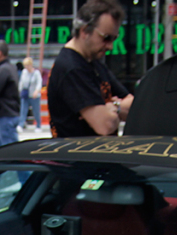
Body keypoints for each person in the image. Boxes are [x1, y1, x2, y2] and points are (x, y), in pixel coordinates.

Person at [46, 0, 132, 138]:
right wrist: (117, 108)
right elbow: (105, 125)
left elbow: (133, 105)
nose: (110, 46)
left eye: (114, 39)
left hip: (98, 155)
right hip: (76, 157)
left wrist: (113, 106)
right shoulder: (71, 67)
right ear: (85, 31)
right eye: (106, 38)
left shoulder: (93, 61)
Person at [19, 56, 42, 129]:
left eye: (27, 65)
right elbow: (21, 82)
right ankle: (21, 124)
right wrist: (19, 90)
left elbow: (39, 82)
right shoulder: (24, 72)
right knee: (23, 110)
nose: (26, 67)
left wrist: (37, 91)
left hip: (34, 95)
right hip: (25, 94)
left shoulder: (36, 73)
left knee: (36, 111)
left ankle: (38, 125)